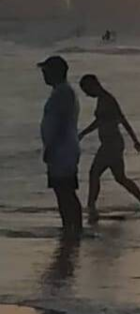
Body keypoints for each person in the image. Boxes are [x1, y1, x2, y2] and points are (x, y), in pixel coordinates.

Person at [78, 74, 140, 221]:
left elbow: (119, 120)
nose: (87, 94)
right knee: (120, 177)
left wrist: (135, 141)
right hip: (113, 144)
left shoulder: (107, 100)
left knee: (94, 173)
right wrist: (135, 141)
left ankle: (91, 206)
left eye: (86, 90)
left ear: (93, 85)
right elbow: (110, 120)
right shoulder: (103, 99)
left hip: (111, 144)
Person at [38, 56, 82, 236]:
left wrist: (50, 147)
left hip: (62, 150)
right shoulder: (60, 92)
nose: (44, 75)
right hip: (61, 149)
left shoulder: (63, 93)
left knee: (65, 192)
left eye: (46, 71)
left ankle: (74, 228)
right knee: (62, 191)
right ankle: (69, 228)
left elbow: (61, 123)